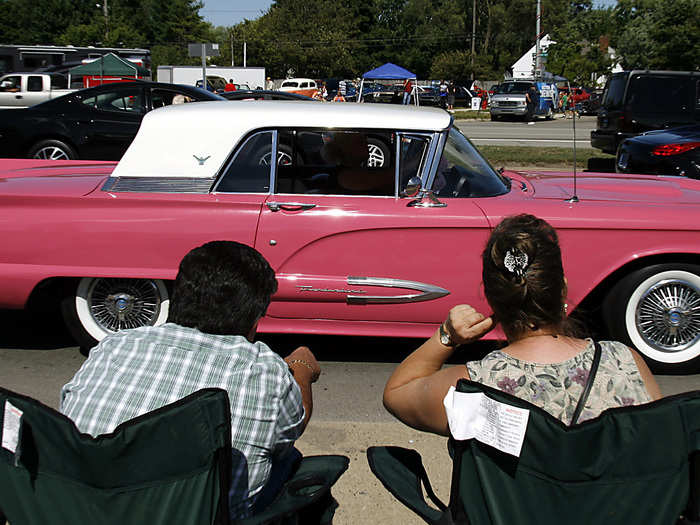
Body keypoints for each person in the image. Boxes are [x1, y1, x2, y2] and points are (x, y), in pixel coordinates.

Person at [60, 240, 321, 519]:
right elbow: (294, 425)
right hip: (201, 515)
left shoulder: (115, 346)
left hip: (80, 510)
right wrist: (301, 367)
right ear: (256, 316)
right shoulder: (265, 371)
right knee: (288, 459)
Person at [383, 214, 661, 436]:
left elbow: (397, 393)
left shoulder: (476, 385)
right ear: (561, 289)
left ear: (491, 296)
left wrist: (447, 336)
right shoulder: (624, 362)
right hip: (617, 507)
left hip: (515, 509)